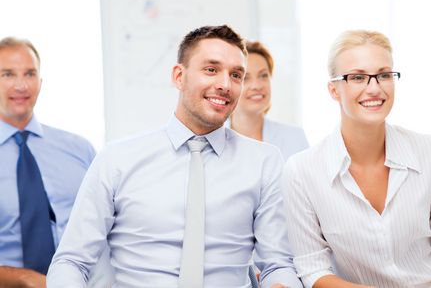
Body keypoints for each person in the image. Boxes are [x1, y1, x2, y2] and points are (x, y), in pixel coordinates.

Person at [47, 25, 302, 288]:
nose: (225, 84)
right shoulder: (116, 159)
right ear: (179, 76)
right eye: (211, 70)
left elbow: (278, 264)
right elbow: (72, 262)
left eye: (236, 75)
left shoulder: (264, 161)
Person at [282, 30, 431, 288]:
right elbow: (313, 268)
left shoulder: (430, 152)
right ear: (334, 90)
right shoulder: (302, 171)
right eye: (358, 77)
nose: (374, 88)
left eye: (384, 75)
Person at [0, 37, 96, 287]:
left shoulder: (79, 149)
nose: (21, 85)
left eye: (29, 73)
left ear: (40, 82)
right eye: (7, 74)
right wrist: (23, 279)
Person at [230, 40, 308, 160]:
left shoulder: (294, 138)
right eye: (245, 78)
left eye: (263, 75)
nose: (257, 85)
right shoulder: (211, 140)